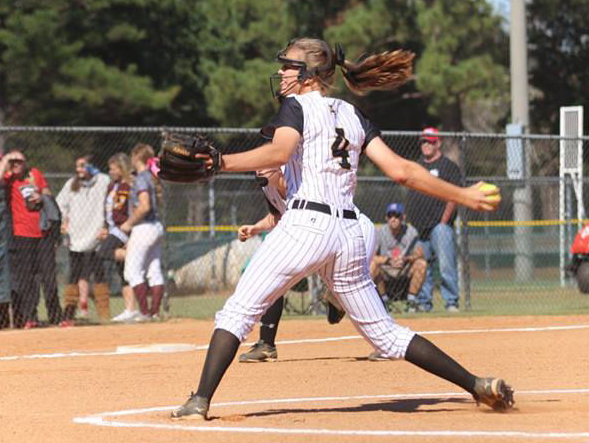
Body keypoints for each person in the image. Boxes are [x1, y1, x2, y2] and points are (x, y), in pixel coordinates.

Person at [170, 37, 512, 420]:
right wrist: (464, 195)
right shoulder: (353, 114)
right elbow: (402, 171)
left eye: (288, 66)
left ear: (309, 74)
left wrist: (220, 162)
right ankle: (477, 384)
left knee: (237, 313)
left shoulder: (296, 106)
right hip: (351, 232)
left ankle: (199, 400)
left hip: (305, 224)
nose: (282, 73)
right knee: (385, 335)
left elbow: (279, 153)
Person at [237, 163, 378, 363]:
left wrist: (277, 180)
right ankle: (266, 344)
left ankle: (381, 339)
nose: (260, 168)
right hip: (318, 233)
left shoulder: (304, 177)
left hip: (353, 229)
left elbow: (298, 201)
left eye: (267, 163)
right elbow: (278, 215)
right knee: (272, 272)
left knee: (359, 289)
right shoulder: (267, 185)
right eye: (258, 164)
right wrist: (255, 228)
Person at [0, 150, 63, 328]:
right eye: (13, 162)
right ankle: (31, 317)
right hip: (22, 235)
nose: (16, 165)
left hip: (43, 233)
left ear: (25, 162)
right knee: (27, 280)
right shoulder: (8, 178)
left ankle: (56, 317)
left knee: (49, 278)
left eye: (19, 162)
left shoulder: (35, 173)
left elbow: (48, 196)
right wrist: (7, 158)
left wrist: (42, 197)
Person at [406, 127, 463, 313]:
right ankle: (424, 302)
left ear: (438, 143)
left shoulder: (448, 166)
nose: (426, 145)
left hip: (440, 226)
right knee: (424, 267)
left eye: (429, 141)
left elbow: (453, 196)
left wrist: (443, 221)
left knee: (446, 264)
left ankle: (451, 302)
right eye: (423, 141)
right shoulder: (417, 166)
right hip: (418, 227)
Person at [55, 155, 110, 322]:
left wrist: (106, 225)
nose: (79, 170)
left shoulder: (102, 181)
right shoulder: (71, 184)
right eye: (77, 166)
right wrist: (64, 221)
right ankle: (69, 313)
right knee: (74, 275)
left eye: (83, 166)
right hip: (76, 236)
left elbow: (110, 199)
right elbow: (60, 204)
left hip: (96, 236)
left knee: (99, 275)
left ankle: (104, 313)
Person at [121, 144, 165, 322]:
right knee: (154, 270)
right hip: (156, 227)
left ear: (135, 158)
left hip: (143, 228)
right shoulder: (151, 176)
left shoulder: (141, 178)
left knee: (132, 271)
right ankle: (154, 313)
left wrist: (128, 223)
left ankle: (145, 313)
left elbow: (144, 206)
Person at [99, 152, 139, 323]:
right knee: (123, 272)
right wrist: (105, 228)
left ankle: (134, 257)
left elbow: (131, 210)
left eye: (114, 168)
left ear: (122, 168)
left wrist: (131, 232)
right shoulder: (112, 186)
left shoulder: (129, 185)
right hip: (113, 229)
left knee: (103, 252)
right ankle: (130, 309)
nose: (111, 171)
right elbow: (109, 209)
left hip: (124, 229)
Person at [369, 202, 427, 311]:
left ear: (403, 217)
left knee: (421, 264)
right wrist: (388, 260)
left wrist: (406, 259)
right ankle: (384, 301)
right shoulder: (379, 232)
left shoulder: (411, 231)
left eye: (397, 215)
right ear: (386, 218)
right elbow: (371, 257)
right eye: (390, 216)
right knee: (372, 265)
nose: (393, 219)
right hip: (385, 270)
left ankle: (411, 301)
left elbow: (420, 253)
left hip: (404, 269)